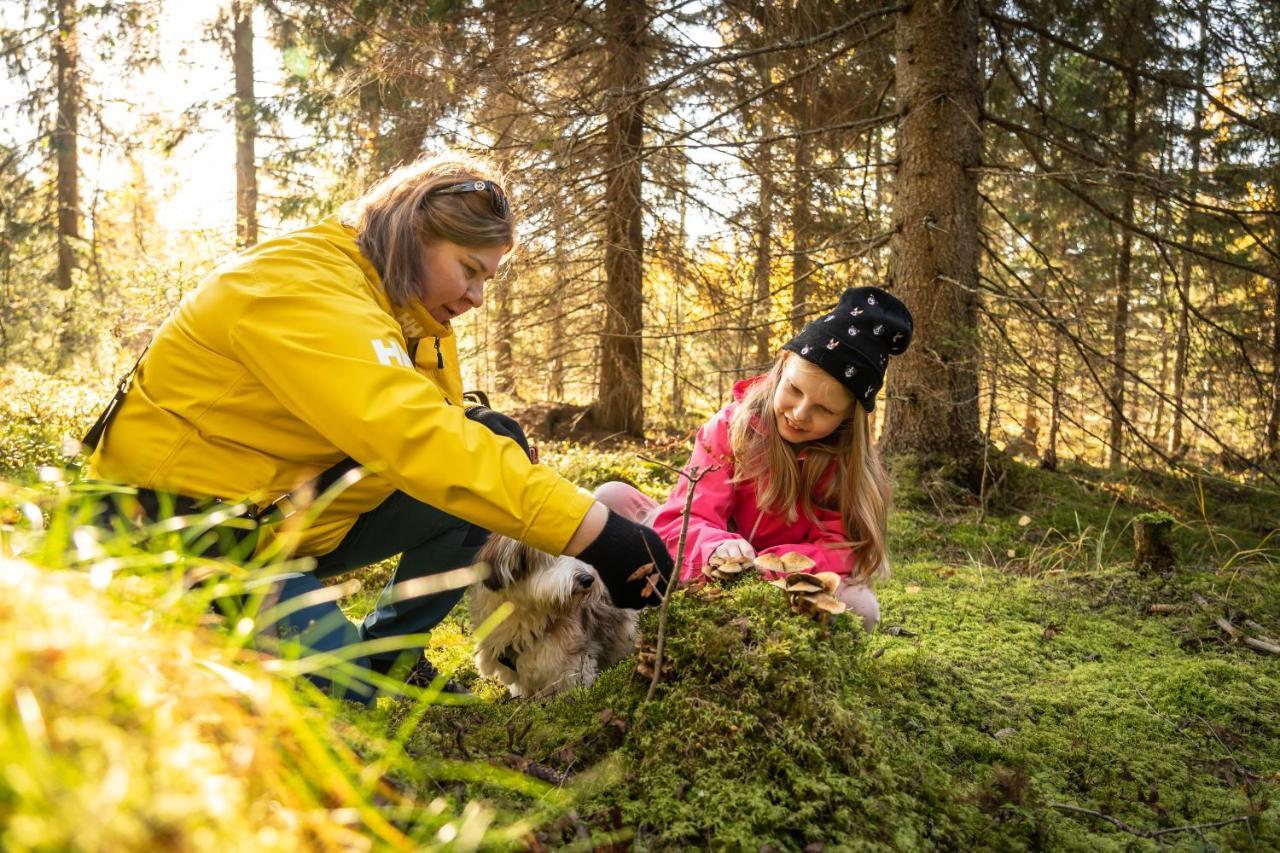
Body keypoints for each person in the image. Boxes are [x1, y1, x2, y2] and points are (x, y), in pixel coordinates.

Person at [86, 154, 672, 701]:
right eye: (469, 270)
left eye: (486, 280)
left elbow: (434, 434)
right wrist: (599, 533)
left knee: (482, 468)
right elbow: (415, 439)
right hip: (178, 532)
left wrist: (487, 437)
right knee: (348, 692)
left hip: (275, 525)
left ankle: (387, 654)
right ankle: (298, 654)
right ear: (412, 233)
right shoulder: (303, 288)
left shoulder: (411, 313)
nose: (475, 297)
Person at [595, 286, 912, 633]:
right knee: (611, 499)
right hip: (705, 562)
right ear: (782, 367)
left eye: (824, 409)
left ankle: (752, 628)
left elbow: (841, 549)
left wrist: (768, 565)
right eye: (794, 390)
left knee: (862, 608)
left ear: (849, 418)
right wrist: (718, 547)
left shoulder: (846, 469)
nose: (800, 413)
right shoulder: (732, 427)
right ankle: (634, 618)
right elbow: (687, 515)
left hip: (785, 585)